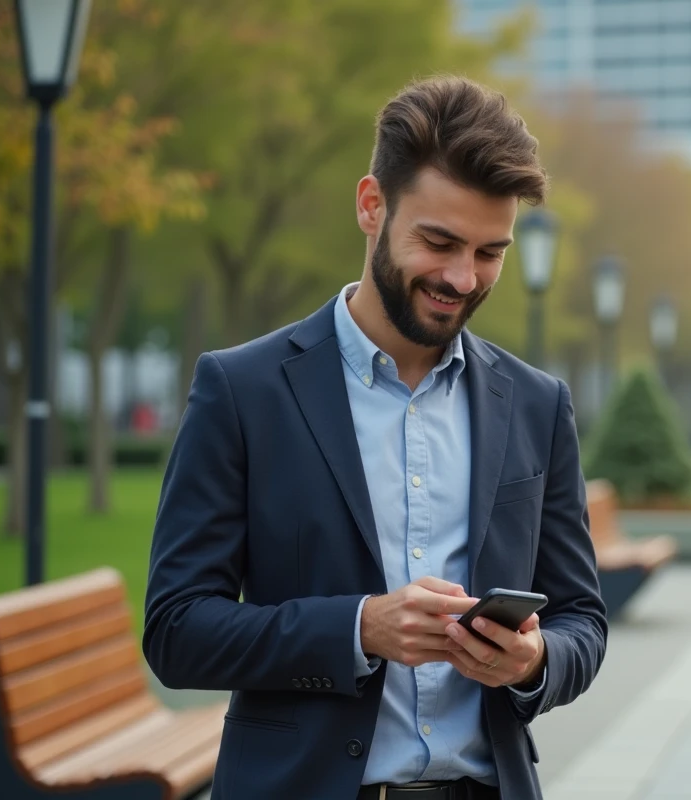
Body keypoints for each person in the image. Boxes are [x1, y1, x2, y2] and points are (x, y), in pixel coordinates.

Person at [143, 77, 608, 800]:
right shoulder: (243, 390)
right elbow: (176, 629)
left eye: (491, 252)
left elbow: (583, 620)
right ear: (371, 206)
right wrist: (358, 629)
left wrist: (534, 659)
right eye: (440, 242)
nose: (463, 277)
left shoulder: (537, 405)